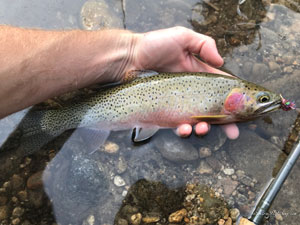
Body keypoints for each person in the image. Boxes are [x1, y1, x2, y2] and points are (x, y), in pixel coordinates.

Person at [0, 25, 239, 139]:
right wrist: (129, 52)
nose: (265, 103)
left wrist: (129, 52)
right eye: (262, 100)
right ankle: (46, 122)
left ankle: (41, 124)